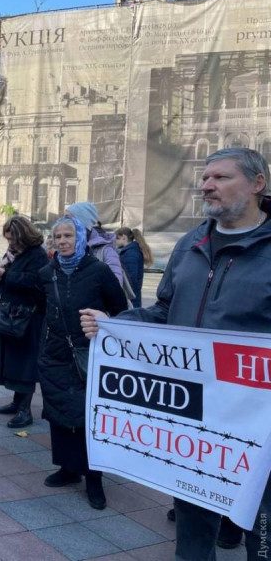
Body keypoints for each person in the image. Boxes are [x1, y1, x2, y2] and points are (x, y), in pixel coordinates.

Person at [80, 147, 271, 559]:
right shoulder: (190, 243)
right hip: (195, 416)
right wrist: (113, 324)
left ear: (258, 184)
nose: (207, 185)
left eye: (221, 177)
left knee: (263, 525)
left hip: (258, 420)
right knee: (193, 520)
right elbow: (165, 310)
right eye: (205, 178)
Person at [38, 215, 128, 510]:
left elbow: (120, 309)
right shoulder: (47, 272)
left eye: (69, 236)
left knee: (89, 417)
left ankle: (93, 478)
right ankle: (67, 468)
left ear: (80, 238)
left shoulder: (99, 270)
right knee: (58, 411)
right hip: (55, 354)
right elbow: (44, 308)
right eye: (58, 236)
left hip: (89, 354)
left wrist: (103, 325)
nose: (62, 241)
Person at [0, 216, 47, 428]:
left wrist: (6, 275)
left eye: (13, 239)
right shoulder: (16, 254)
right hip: (14, 315)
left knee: (25, 365)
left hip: (28, 318)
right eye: (8, 239)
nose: (10, 243)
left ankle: (25, 410)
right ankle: (17, 402)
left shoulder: (37, 254)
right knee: (15, 361)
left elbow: (36, 282)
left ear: (23, 236)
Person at [115, 227, 153, 308]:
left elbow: (130, 279)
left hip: (131, 298)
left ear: (124, 237)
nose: (115, 241)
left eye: (117, 238)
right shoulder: (130, 251)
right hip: (133, 296)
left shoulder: (131, 253)